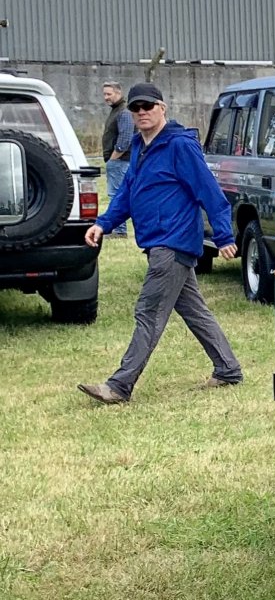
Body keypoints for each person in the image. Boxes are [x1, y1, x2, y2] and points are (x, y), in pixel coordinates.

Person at [78, 83, 243, 405]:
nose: (142, 112)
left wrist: (223, 236)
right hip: (157, 242)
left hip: (173, 242)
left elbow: (209, 191)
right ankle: (228, 369)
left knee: (148, 311)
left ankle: (119, 386)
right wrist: (102, 223)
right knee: (195, 311)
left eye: (148, 106)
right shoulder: (140, 146)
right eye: (136, 108)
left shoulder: (180, 145)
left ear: (162, 108)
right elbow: (128, 190)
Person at [99, 81, 133, 237]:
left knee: (117, 195)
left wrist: (113, 159)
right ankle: (118, 229)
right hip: (118, 161)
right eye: (104, 94)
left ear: (118, 93)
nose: (106, 97)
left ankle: (120, 231)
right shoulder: (116, 110)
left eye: (109, 94)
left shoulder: (124, 112)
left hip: (121, 161)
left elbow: (125, 139)